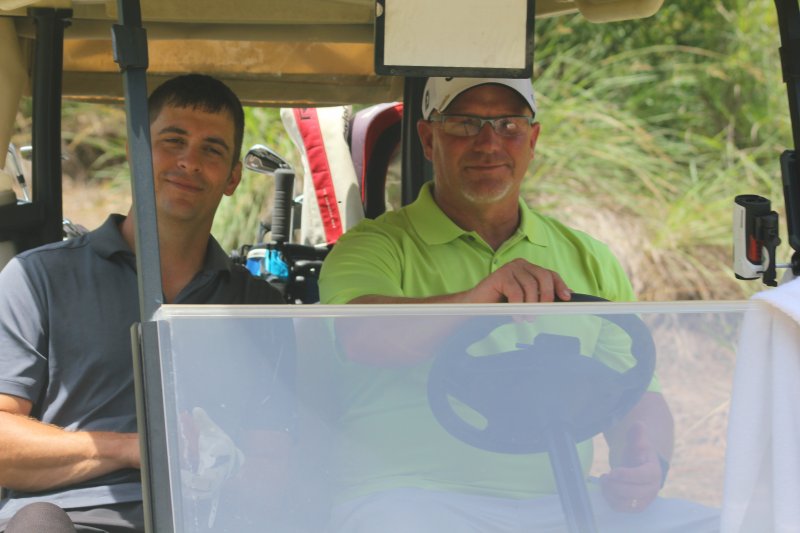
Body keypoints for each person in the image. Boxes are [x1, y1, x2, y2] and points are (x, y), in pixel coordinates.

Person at [318, 77, 719, 531]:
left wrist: (648, 465)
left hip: (564, 499)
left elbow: (637, 394)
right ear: (429, 139)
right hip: (410, 498)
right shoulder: (373, 247)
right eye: (465, 124)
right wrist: (476, 300)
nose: (489, 143)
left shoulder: (590, 257)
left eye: (509, 125)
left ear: (533, 140)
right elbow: (362, 336)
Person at [0, 74, 294, 532]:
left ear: (233, 177)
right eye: (172, 141)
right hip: (70, 520)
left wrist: (226, 467)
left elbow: (275, 471)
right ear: (136, 151)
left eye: (212, 150)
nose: (189, 162)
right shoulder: (37, 277)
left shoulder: (260, 309)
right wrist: (134, 449)